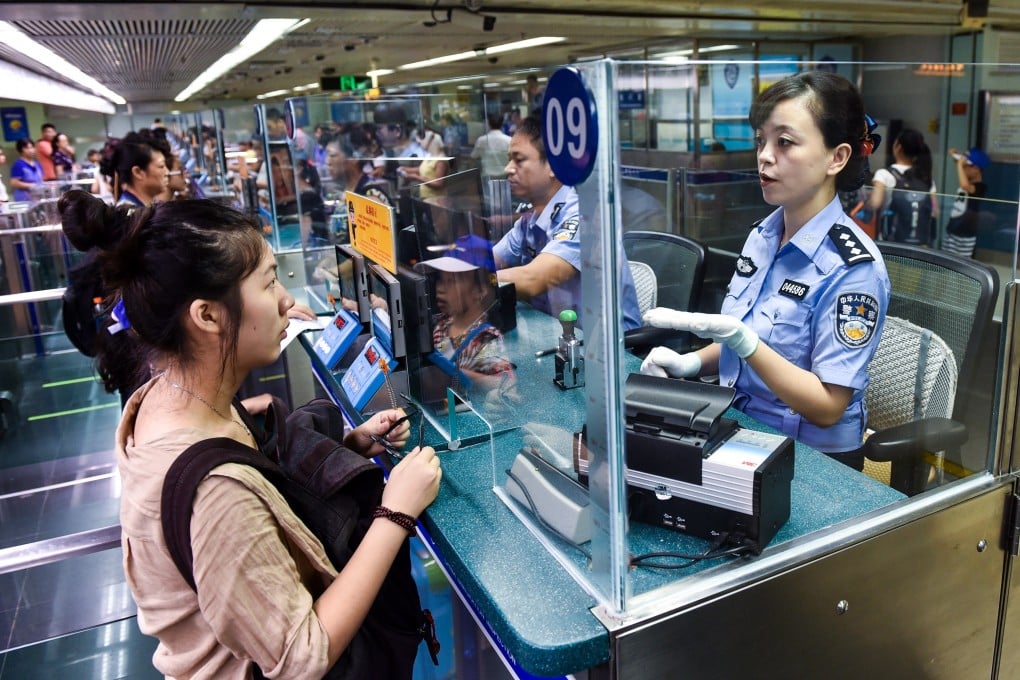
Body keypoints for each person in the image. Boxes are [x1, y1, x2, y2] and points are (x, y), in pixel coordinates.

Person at [58, 190, 442, 678]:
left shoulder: (170, 400)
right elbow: (303, 655)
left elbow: (264, 508)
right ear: (208, 316)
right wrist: (396, 513)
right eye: (269, 283)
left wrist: (345, 448)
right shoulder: (213, 492)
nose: (286, 301)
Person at [640, 71, 891, 471]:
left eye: (784, 142)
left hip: (812, 461)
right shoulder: (763, 235)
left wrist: (746, 341)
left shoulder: (853, 270)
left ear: (837, 157)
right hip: (740, 429)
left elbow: (827, 407)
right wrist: (690, 363)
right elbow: (742, 343)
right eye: (761, 141)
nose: (764, 156)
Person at [493, 115, 642, 331]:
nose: (508, 168)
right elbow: (493, 260)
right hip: (558, 335)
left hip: (609, 351)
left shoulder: (583, 215)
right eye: (509, 159)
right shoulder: (530, 219)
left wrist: (472, 282)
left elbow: (533, 279)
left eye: (519, 159)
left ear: (554, 166)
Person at [420, 239, 515, 395]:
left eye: (452, 281)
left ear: (480, 291)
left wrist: (454, 373)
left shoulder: (485, 338)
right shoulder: (443, 323)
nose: (441, 289)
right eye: (441, 280)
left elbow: (505, 384)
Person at [867, 127, 936, 245]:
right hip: (920, 245)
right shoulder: (925, 178)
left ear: (898, 147)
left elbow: (875, 203)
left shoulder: (884, 174)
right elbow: (935, 211)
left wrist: (865, 205)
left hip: (892, 243)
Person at [942, 146, 990, 258]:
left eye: (966, 166)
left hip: (965, 235)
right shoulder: (967, 178)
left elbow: (965, 186)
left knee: (960, 265)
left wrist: (959, 164)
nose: (963, 169)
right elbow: (962, 172)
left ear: (976, 168)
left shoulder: (980, 187)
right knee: (945, 261)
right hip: (952, 230)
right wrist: (956, 156)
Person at [99, 131, 169, 207]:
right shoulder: (129, 215)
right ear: (138, 172)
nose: (167, 172)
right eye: (161, 166)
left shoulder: (144, 209)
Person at [471, 112, 512, 214]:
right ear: (502, 124)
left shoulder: (482, 140)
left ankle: (491, 226)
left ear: (488, 124)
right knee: (504, 206)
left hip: (487, 178)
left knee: (490, 206)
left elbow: (473, 156)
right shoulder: (509, 140)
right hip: (504, 177)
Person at [9, 138, 43, 202]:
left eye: (32, 147)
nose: (31, 150)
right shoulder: (18, 165)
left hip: (37, 196)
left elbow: (41, 179)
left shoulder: (37, 164)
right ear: (20, 150)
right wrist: (33, 185)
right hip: (24, 197)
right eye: (27, 148)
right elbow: (14, 183)